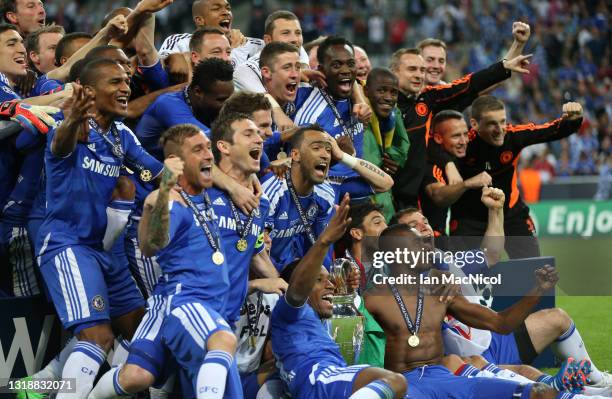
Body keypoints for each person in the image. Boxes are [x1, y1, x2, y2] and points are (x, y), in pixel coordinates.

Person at [35, 58, 163, 398]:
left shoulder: (122, 135)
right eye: (115, 82)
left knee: (141, 332)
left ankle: (32, 388)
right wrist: (74, 116)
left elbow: (158, 173)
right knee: (97, 338)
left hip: (109, 251)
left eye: (126, 82)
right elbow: (60, 147)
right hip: (69, 244)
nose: (125, 88)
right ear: (88, 92)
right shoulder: (70, 126)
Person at [270, 194, 408, 399]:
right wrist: (325, 240)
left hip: (328, 382)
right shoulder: (288, 313)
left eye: (328, 279)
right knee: (395, 382)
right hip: (320, 379)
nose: (330, 284)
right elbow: (298, 289)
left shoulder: (324, 322)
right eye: (318, 280)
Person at [389, 21, 531, 208]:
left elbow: (477, 85)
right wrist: (446, 162)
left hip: (431, 186)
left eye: (441, 60)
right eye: (429, 60)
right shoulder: (388, 100)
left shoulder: (437, 96)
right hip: (397, 184)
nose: (435, 66)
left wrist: (516, 48)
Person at [437, 97, 585, 259]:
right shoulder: (463, 142)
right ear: (475, 124)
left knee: (533, 268)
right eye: (492, 123)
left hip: (511, 214)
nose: (500, 129)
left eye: (502, 121)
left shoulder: (514, 136)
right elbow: (434, 147)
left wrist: (573, 120)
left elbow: (550, 131)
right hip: (469, 218)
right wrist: (448, 163)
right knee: (465, 276)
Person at [262, 125, 392, 272]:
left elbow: (386, 183)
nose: (325, 154)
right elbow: (257, 251)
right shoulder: (272, 189)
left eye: (328, 150)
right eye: (316, 148)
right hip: (264, 276)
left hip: (297, 272)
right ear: (295, 154)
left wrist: (343, 156)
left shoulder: (326, 190)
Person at [420, 110, 491, 241]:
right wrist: (467, 183)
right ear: (438, 138)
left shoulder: (454, 154)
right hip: (423, 237)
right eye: (456, 136)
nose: (463, 141)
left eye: (465, 134)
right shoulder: (430, 163)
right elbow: (438, 195)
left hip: (441, 232)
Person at [362, 67, 409, 221]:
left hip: (385, 200)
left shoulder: (394, 114)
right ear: (367, 91)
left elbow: (403, 146)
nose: (389, 97)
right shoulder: (357, 115)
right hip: (363, 199)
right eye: (381, 91)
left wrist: (392, 160)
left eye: (393, 92)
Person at [158, 0, 263, 67]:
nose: (226, 12)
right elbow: (162, 69)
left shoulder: (252, 45)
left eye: (228, 8)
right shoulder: (179, 42)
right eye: (216, 9)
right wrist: (234, 52)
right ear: (199, 20)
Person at [233, 10, 309, 93]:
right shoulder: (248, 71)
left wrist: (303, 67)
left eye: (298, 33)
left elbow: (299, 49)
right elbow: (266, 103)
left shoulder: (296, 51)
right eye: (285, 33)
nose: (294, 39)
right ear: (268, 40)